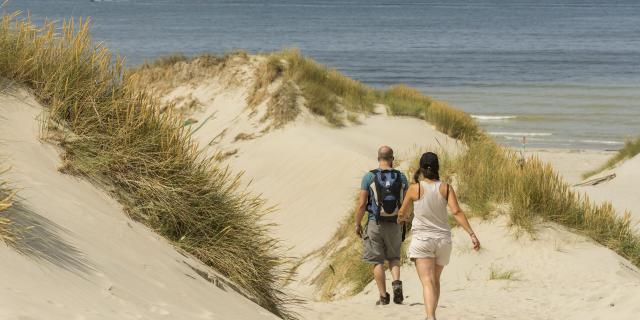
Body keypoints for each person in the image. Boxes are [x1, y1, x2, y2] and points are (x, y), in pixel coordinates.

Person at [397, 152, 480, 320]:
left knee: (427, 281)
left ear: (420, 168)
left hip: (423, 240)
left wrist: (401, 219)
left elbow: (402, 213)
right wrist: (472, 234)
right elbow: (456, 211)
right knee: (435, 280)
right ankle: (431, 316)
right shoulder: (446, 187)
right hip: (443, 241)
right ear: (437, 168)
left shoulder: (415, 188)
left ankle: (431, 316)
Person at [355, 145, 409, 305]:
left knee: (377, 261)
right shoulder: (401, 176)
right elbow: (406, 202)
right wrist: (403, 220)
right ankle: (397, 284)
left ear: (378, 158)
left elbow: (361, 204)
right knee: (394, 258)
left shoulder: (368, 177)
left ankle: (383, 296)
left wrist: (357, 224)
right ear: (392, 158)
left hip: (375, 222)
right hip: (395, 223)